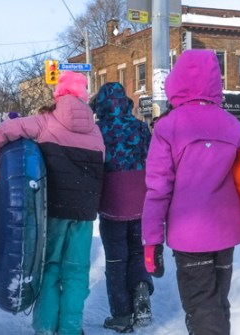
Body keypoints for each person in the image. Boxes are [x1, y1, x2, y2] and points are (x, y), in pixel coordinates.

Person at [0, 71, 105, 335]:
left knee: (50, 269)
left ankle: (46, 329)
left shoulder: (45, 121)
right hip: (84, 213)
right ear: (84, 96)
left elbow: (3, 133)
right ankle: (71, 329)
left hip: (53, 211)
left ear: (58, 94)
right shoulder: (96, 132)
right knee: (76, 273)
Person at [141, 49, 240, 335]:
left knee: (201, 306)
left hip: (190, 235)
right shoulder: (233, 125)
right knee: (216, 304)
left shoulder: (168, 127)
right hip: (227, 231)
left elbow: (158, 189)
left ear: (176, 81)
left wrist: (152, 241)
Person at [90, 82, 153, 333]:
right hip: (141, 199)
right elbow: (151, 156)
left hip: (112, 203)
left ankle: (122, 315)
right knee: (138, 252)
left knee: (116, 259)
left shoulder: (98, 130)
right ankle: (140, 289)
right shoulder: (139, 126)